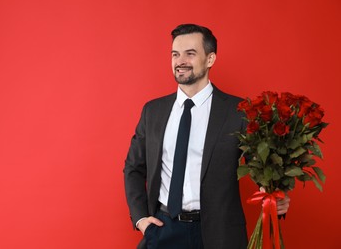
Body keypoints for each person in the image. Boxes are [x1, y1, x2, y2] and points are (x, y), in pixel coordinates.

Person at [123, 24, 290, 249]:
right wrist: (141, 219)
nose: (180, 61)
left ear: (210, 59)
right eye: (175, 54)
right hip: (163, 229)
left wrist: (273, 195)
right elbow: (133, 167)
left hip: (220, 234)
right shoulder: (153, 111)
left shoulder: (239, 111)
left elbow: (260, 168)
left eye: (190, 53)